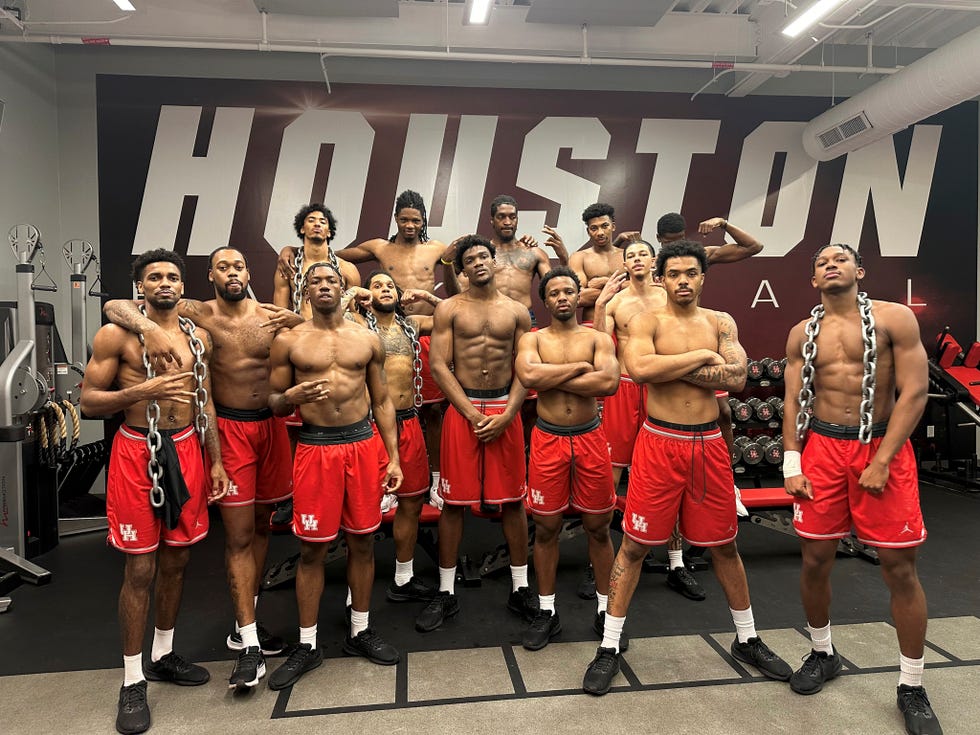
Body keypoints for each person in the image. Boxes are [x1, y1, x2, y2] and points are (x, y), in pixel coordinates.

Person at [582, 240, 791, 696]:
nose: (681, 280)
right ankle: (609, 647)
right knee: (635, 546)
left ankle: (748, 639)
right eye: (673, 273)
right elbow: (637, 369)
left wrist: (668, 367)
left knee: (724, 547)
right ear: (661, 276)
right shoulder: (644, 320)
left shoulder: (721, 321)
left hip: (710, 447)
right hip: (660, 442)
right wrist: (702, 356)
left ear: (701, 277)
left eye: (690, 273)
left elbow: (737, 377)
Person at [103, 247, 304, 691]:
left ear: (249, 272)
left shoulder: (271, 315)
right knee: (230, 540)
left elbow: (324, 325)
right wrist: (145, 328)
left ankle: (238, 626)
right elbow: (115, 305)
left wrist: (299, 322)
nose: (233, 272)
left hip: (268, 428)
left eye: (239, 266)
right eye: (223, 267)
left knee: (259, 528)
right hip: (222, 431)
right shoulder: (197, 314)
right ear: (209, 276)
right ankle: (244, 642)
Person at [782, 244, 940, 735]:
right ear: (813, 280)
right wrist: (791, 461)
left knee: (899, 567)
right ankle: (822, 652)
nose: (831, 265)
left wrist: (884, 457)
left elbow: (914, 390)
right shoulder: (802, 333)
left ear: (859, 271)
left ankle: (911, 684)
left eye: (840, 259)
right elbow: (792, 399)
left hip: (879, 446)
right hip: (822, 450)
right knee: (814, 559)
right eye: (822, 263)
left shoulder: (894, 319)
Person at [80, 249, 228, 735]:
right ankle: (131, 680)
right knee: (140, 567)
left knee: (179, 560)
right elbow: (87, 403)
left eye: (171, 277)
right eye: (154, 277)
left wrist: (217, 461)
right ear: (139, 287)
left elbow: (203, 403)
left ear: (182, 287)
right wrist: (141, 393)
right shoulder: (116, 335)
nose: (164, 283)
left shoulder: (197, 337)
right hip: (137, 450)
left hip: (187, 449)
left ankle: (163, 654)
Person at [266, 262, 403, 690]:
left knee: (363, 541)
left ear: (344, 288)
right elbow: (273, 403)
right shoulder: (289, 340)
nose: (324, 286)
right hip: (316, 446)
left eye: (331, 281)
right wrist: (289, 396)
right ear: (305, 290)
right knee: (311, 550)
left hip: (363, 447)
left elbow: (382, 401)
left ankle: (360, 631)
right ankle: (307, 645)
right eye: (315, 281)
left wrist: (393, 457)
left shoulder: (366, 338)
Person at [278, 191, 452, 503]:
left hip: (419, 331)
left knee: (432, 410)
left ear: (424, 220)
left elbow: (459, 258)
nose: (410, 225)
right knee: (376, 401)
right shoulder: (378, 247)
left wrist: (429, 296)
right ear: (396, 219)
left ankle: (435, 479)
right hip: (372, 334)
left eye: (416, 220)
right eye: (404, 219)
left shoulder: (437, 248)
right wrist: (293, 248)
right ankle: (383, 472)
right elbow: (332, 255)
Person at [415, 235, 537, 632]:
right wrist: (468, 413)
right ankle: (446, 592)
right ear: (462, 269)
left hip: (505, 407)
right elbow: (438, 366)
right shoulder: (449, 308)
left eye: (485, 256)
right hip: (463, 411)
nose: (480, 262)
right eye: (471, 259)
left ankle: (520, 587)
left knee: (514, 501)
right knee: (453, 502)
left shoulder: (517, 312)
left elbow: (526, 367)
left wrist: (508, 414)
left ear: (494, 262)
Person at [514, 266, 619, 651]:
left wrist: (550, 375)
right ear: (545, 301)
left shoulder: (597, 338)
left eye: (567, 291)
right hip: (548, 440)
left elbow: (607, 383)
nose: (561, 297)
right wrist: (578, 368)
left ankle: (607, 610)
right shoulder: (532, 339)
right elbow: (527, 376)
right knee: (545, 529)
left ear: (578, 298)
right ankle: (547, 612)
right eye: (554, 292)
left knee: (598, 527)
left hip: (590, 438)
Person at [347, 271, 440, 603]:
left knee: (412, 502)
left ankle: (403, 579)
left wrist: (428, 298)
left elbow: (453, 314)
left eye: (389, 285)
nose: (383, 289)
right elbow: (319, 321)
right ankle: (353, 594)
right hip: (370, 426)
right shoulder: (355, 325)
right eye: (376, 285)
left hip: (409, 422)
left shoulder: (412, 324)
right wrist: (350, 295)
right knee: (364, 510)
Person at [568, 203, 638, 324]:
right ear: (588, 231)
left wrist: (605, 282)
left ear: (613, 226)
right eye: (594, 228)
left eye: (605, 226)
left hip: (626, 324)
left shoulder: (627, 255)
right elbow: (579, 298)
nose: (600, 232)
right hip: (593, 324)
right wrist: (625, 286)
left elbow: (642, 287)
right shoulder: (579, 258)